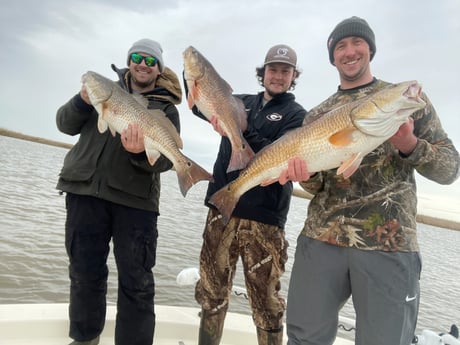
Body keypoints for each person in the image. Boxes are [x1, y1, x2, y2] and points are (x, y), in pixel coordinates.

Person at [278, 17, 460, 345]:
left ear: (370, 49)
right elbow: (316, 187)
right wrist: (306, 176)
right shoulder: (317, 115)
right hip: (322, 240)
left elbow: (449, 170)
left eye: (357, 43)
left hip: (389, 245)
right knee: (304, 340)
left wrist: (410, 145)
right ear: (332, 57)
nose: (350, 52)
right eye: (340, 46)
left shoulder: (407, 100)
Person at [56, 38, 182, 345]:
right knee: (84, 271)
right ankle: (85, 338)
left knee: (136, 283)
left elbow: (165, 160)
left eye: (150, 61)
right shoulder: (102, 94)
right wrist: (82, 100)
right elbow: (63, 125)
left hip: (135, 205)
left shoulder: (165, 108)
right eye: (137, 57)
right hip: (85, 193)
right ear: (129, 60)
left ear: (158, 68)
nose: (142, 64)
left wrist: (140, 153)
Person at [187, 45, 307, 345]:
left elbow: (275, 152)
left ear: (293, 77)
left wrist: (238, 133)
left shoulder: (297, 116)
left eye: (285, 71)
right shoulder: (237, 101)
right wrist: (193, 74)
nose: (278, 76)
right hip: (222, 211)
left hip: (265, 220)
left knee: (267, 303)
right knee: (211, 292)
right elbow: (195, 104)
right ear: (263, 72)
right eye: (273, 69)